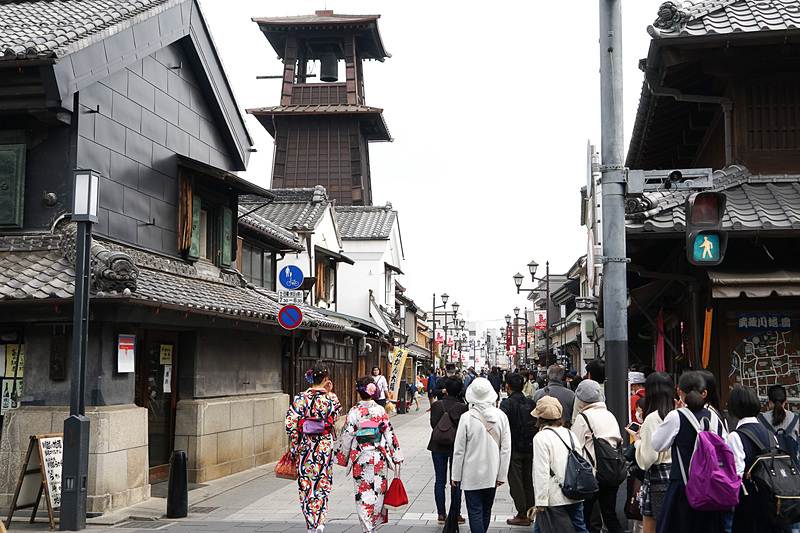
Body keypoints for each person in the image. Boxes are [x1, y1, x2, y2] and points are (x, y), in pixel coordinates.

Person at [651, 371, 728, 533]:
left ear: (679, 392)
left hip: (682, 486)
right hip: (712, 488)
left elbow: (657, 444)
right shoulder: (715, 418)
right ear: (705, 393)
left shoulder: (676, 416)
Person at [336, 376, 404, 533]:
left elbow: (347, 435)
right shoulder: (380, 410)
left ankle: (367, 527)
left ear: (359, 393)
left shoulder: (354, 411)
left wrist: (342, 456)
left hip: (361, 458)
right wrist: (396, 455)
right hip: (378, 456)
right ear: (373, 392)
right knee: (377, 493)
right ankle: (372, 525)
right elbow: (389, 433)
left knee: (362, 493)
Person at [285, 363, 342, 533]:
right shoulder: (332, 398)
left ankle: (311, 523)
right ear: (326, 379)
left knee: (306, 484)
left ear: (311, 378)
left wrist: (294, 446)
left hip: (306, 446)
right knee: (322, 483)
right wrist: (330, 392)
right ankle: (321, 520)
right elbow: (336, 415)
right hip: (324, 446)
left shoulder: (300, 398)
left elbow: (290, 424)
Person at [452, 377, 511, 533]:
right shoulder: (501, 416)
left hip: (471, 472)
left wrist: (455, 475)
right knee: (486, 510)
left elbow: (459, 450)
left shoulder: (467, 417)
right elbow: (506, 448)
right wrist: (502, 475)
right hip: (492, 471)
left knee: (475, 511)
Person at [725, 385, 784, 533]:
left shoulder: (735, 436)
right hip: (771, 501)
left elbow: (736, 473)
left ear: (733, 408)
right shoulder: (771, 435)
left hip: (748, 502)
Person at [571, 379, 625, 533]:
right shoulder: (609, 415)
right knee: (610, 515)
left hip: (592, 475)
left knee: (585, 516)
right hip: (612, 472)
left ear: (582, 400)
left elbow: (576, 447)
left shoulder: (584, 417)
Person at [532, 396, 590, 533]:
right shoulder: (569, 434)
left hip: (554, 496)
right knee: (579, 527)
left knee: (542, 528)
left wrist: (540, 501)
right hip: (574, 491)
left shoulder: (541, 437)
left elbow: (541, 471)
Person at [627, 371, 675, 533]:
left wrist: (638, 441)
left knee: (651, 527)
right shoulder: (678, 414)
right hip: (677, 477)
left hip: (657, 479)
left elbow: (648, 458)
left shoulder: (652, 418)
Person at [428, 375, 469, 524]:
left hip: (437, 445)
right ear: (460, 391)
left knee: (439, 481)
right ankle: (456, 514)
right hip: (456, 447)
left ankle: (441, 515)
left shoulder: (437, 405)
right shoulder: (463, 407)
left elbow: (433, 424)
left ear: (445, 389)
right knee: (456, 480)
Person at [499, 372, 537, 526]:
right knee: (527, 481)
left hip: (513, 448)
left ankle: (522, 514)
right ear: (523, 386)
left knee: (516, 483)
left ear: (507, 386)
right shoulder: (531, 403)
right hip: (529, 447)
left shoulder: (506, 404)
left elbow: (502, 427)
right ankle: (531, 511)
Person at [573, 359, 605, 426]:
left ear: (589, 375)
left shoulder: (584, 391)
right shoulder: (615, 391)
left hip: (588, 431)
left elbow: (576, 418)